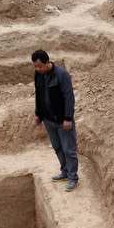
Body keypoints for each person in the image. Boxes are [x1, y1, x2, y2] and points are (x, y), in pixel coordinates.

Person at [32, 49, 78, 192]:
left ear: (47, 62)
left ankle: (73, 178)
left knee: (68, 149)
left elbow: (69, 97)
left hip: (62, 121)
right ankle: (65, 172)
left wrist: (67, 118)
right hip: (49, 120)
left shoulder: (61, 75)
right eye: (35, 66)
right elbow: (38, 95)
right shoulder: (38, 75)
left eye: (39, 66)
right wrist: (38, 113)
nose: (37, 69)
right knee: (57, 147)